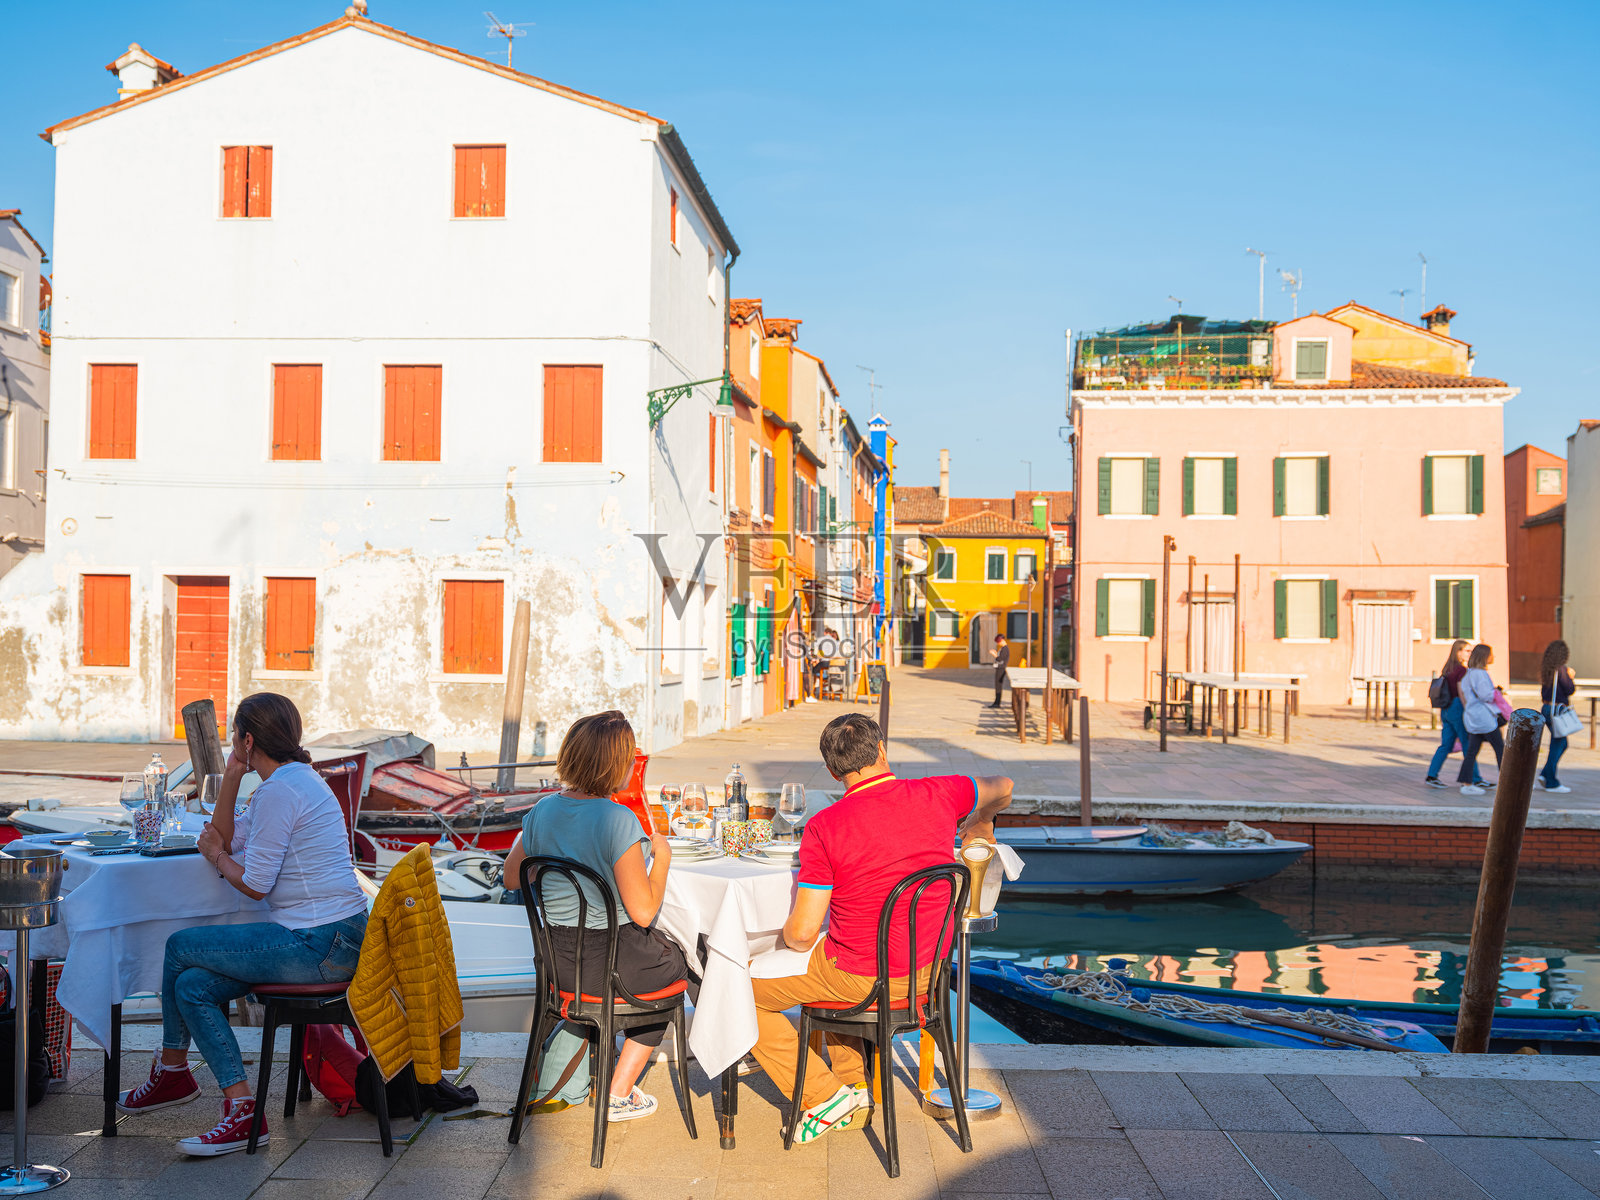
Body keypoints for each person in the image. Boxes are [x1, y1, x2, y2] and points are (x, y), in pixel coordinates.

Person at [116, 693, 370, 1157]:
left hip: (318, 943)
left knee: (179, 947)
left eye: (237, 738)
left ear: (247, 738)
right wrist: (232, 773)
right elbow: (230, 833)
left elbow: (252, 882)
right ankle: (241, 1107)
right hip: (332, 937)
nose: (235, 743)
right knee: (192, 984)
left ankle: (173, 1069)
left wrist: (214, 856)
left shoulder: (281, 791)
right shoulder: (293, 781)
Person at [748, 713, 1012, 1143]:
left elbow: (800, 933)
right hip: (929, 974)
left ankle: (823, 1095)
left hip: (863, 981)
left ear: (833, 772)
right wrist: (978, 823)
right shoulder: (942, 791)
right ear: (883, 750)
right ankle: (855, 1089)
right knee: (828, 957)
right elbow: (1004, 786)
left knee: (737, 989)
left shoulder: (825, 827)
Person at [501, 711, 686, 1123]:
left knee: (661, 960)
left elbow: (513, 878)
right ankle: (617, 1092)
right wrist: (663, 861)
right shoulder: (618, 820)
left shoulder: (541, 812)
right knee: (681, 965)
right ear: (615, 764)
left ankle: (606, 1071)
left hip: (561, 968)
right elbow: (642, 911)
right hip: (610, 966)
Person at [1425, 639, 1487, 789]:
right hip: (1457, 707)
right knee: (1467, 743)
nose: (1470, 654)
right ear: (1458, 652)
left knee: (1446, 744)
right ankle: (1475, 778)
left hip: (1445, 709)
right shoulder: (1461, 670)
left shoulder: (1448, 668)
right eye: (1467, 651)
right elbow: (1461, 691)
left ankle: (1432, 775)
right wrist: (1469, 709)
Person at [1457, 644, 1505, 796]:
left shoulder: (1469, 673)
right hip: (1484, 718)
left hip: (1473, 717)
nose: (1493, 657)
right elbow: (1486, 695)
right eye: (1491, 654)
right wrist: (1496, 692)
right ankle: (1508, 781)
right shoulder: (1481, 674)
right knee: (1500, 749)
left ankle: (1466, 783)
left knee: (1472, 751)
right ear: (1485, 656)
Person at [1539, 639, 1576, 794]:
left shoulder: (1547, 669)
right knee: (1559, 744)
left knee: (1559, 743)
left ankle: (1545, 774)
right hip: (1557, 710)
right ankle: (1551, 781)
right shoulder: (1561, 670)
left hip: (1546, 708)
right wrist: (1571, 677)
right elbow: (1569, 689)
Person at [989, 633, 1010, 708]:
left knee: (998, 686)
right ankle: (996, 702)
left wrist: (994, 654)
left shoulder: (1005, 649)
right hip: (1000, 668)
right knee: (998, 685)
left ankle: (997, 703)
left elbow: (1000, 659)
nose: (998, 643)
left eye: (998, 642)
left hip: (1001, 669)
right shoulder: (1003, 648)